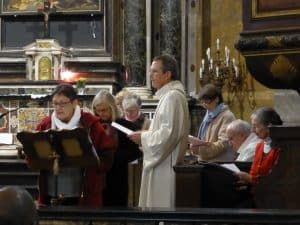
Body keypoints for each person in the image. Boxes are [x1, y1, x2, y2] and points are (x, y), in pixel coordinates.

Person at [34, 83, 114, 207]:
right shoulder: (45, 125)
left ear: (74, 102)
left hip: (84, 193)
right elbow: (33, 158)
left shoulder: (90, 124)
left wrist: (91, 163)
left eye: (62, 103)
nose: (58, 107)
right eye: (55, 103)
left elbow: (107, 155)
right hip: (50, 193)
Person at [128, 54, 190, 208]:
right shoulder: (170, 96)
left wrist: (143, 138)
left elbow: (168, 135)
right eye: (150, 71)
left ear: (167, 74)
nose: (150, 75)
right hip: (163, 164)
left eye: (154, 71)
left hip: (165, 167)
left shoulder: (172, 97)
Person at [92, 90, 142, 206]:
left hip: (117, 177)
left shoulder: (124, 125)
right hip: (96, 176)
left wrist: (113, 157)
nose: (100, 114)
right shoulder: (93, 126)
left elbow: (135, 152)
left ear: (112, 108)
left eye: (104, 110)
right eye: (97, 110)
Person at [236, 107, 283, 187]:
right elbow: (253, 173)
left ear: (269, 126)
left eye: (255, 126)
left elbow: (278, 179)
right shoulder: (260, 146)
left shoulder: (281, 148)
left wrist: (250, 179)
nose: (252, 130)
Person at [189, 83, 236, 161]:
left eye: (207, 101)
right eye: (202, 102)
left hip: (219, 164)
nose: (204, 105)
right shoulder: (209, 114)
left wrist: (199, 149)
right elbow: (203, 138)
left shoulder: (227, 116)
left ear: (217, 99)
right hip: (207, 161)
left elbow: (223, 144)